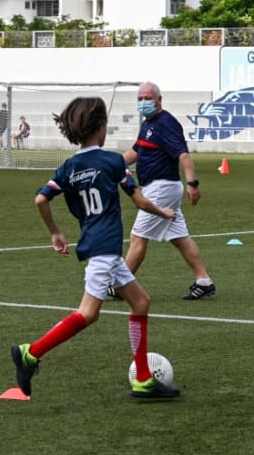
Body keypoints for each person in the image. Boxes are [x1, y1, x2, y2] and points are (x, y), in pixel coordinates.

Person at [10, 96, 180, 398]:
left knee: (141, 303)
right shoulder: (113, 161)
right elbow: (138, 198)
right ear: (100, 127)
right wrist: (163, 212)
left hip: (102, 248)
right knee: (88, 314)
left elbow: (41, 198)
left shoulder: (69, 167)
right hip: (104, 251)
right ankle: (30, 353)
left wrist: (55, 232)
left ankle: (142, 378)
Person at [111, 81, 216, 301]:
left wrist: (193, 183)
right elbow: (135, 152)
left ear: (159, 100)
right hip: (161, 187)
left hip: (162, 187)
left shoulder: (166, 123)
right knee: (179, 237)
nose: (143, 103)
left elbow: (183, 155)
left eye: (147, 98)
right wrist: (111, 164)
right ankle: (204, 281)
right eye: (140, 99)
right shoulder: (148, 124)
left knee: (138, 237)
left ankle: (122, 286)